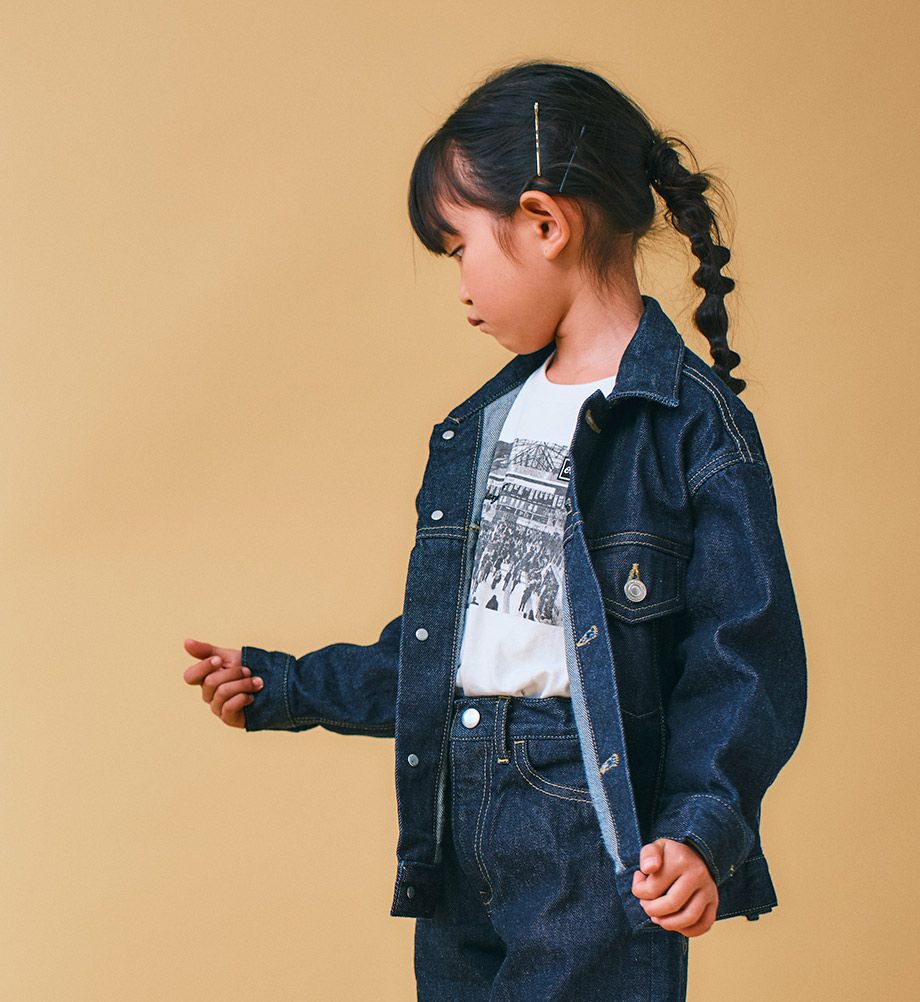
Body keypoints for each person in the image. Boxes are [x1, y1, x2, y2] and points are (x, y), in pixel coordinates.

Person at [182, 59, 808, 1002]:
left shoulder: (689, 426)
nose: (461, 285)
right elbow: (448, 650)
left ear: (545, 223)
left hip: (590, 825)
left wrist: (701, 828)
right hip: (455, 814)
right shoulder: (483, 427)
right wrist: (287, 684)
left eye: (459, 249)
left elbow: (744, 656)